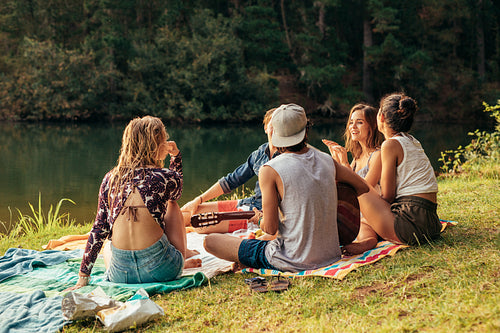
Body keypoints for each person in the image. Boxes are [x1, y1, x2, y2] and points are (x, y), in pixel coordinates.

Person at [204, 103, 342, 272]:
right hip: (331, 254)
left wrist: (259, 219)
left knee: (210, 241)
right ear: (306, 131)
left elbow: (270, 228)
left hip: (290, 259)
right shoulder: (326, 159)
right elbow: (361, 186)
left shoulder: (270, 168)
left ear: (275, 132)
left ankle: (250, 259)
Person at [67, 116, 200, 290]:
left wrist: (83, 276)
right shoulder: (165, 177)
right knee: (172, 204)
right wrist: (176, 157)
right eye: (164, 139)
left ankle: (151, 260)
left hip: (121, 275)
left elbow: (99, 228)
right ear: (156, 144)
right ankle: (179, 261)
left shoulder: (110, 178)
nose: (167, 142)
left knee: (108, 244)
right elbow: (177, 191)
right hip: (163, 270)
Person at [341, 93, 441, 255]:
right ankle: (368, 236)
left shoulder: (389, 145)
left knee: (357, 186)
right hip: (431, 223)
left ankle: (367, 238)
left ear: (380, 117)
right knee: (366, 208)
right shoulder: (412, 140)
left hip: (410, 225)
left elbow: (388, 195)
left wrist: (371, 209)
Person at [181, 108, 277, 233]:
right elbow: (231, 181)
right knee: (186, 214)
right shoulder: (259, 154)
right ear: (265, 128)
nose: (276, 130)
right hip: (247, 203)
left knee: (201, 225)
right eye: (272, 125)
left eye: (280, 126)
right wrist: (197, 200)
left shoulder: (287, 157)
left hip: (258, 215)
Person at [322, 103, 384, 188]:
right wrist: (337, 160)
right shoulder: (357, 156)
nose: (353, 126)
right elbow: (344, 184)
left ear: (373, 125)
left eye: (359, 122)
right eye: (351, 122)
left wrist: (344, 162)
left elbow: (364, 190)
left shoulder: (378, 155)